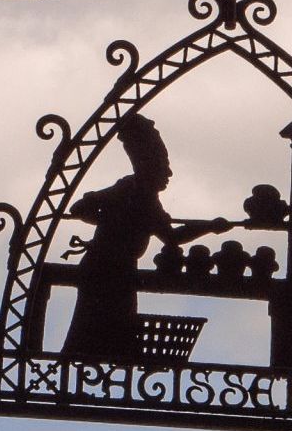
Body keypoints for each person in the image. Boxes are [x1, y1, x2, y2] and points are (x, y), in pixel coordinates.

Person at [61, 114, 223, 363]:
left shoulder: (134, 191)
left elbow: (83, 207)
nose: (168, 172)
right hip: (110, 272)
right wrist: (209, 227)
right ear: (150, 167)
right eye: (163, 165)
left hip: (116, 270)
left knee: (100, 332)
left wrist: (105, 215)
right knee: (100, 330)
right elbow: (172, 237)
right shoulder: (138, 195)